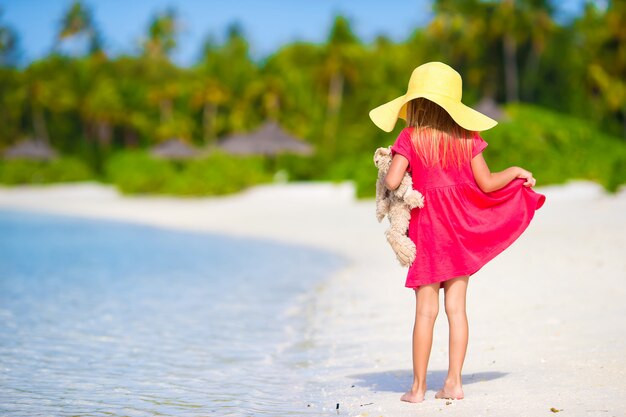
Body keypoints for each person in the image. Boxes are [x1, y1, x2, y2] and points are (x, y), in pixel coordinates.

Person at [369, 62, 545, 403]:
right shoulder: (468, 138)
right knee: (457, 310)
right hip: (459, 232)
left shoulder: (410, 137)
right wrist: (515, 171)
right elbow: (488, 183)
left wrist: (390, 162)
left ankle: (418, 389)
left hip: (426, 232)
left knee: (424, 311)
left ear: (415, 104)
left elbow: (392, 182)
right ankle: (454, 383)